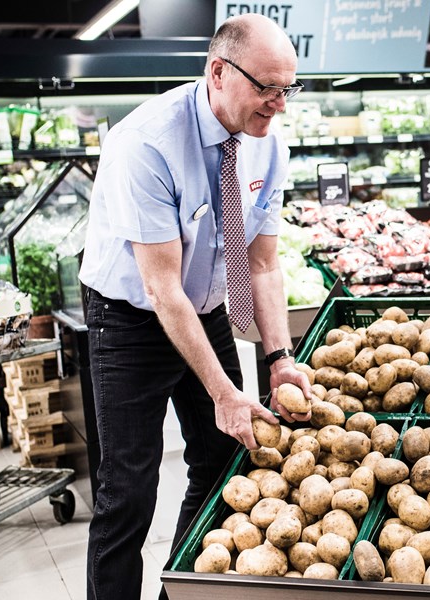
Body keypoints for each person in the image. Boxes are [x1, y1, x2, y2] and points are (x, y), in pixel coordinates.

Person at [77, 14, 312, 600]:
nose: (279, 104)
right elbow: (162, 289)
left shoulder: (266, 144)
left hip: (204, 303)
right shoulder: (146, 143)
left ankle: (179, 594)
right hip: (130, 317)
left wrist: (279, 356)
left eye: (289, 89)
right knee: (127, 488)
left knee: (222, 460)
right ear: (218, 72)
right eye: (267, 88)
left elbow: (261, 264)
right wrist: (225, 392)